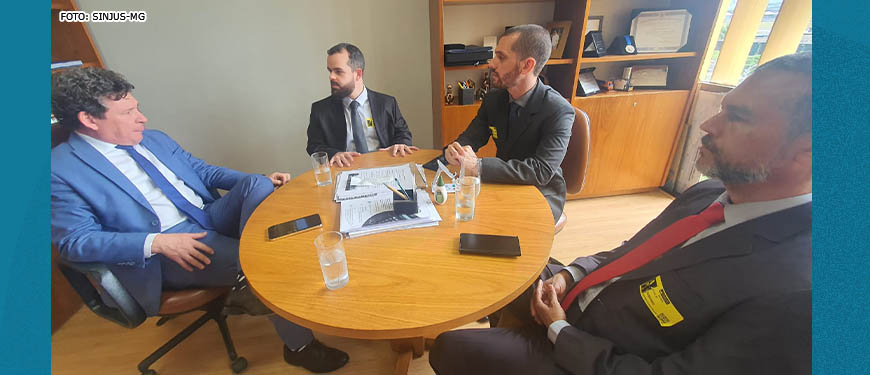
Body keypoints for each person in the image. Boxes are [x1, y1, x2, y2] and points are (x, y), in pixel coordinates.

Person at [430, 52, 812, 375]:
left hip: (589, 352)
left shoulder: (796, 296)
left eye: (739, 118)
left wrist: (560, 330)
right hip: (575, 299)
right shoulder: (711, 192)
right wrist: (569, 274)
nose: (708, 125)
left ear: (808, 152)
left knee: (448, 347)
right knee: (478, 254)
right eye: (722, 109)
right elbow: (629, 252)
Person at [51, 68, 349, 373]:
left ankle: (245, 277)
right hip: (167, 248)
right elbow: (75, 242)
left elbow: (204, 172)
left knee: (257, 185)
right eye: (129, 112)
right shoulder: (60, 169)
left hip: (206, 215)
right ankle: (298, 346)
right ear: (89, 119)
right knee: (272, 264)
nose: (142, 118)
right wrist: (156, 242)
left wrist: (259, 179)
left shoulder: (152, 139)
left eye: (137, 108)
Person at [444, 25, 574, 223]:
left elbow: (541, 171)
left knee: (496, 227)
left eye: (501, 57)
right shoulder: (494, 99)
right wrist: (456, 150)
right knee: (455, 215)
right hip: (503, 183)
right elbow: (472, 136)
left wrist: (479, 166)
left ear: (527, 65)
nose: (492, 63)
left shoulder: (558, 110)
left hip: (541, 193)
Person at [306, 43, 417, 167]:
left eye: (338, 71)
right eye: (330, 71)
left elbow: (403, 133)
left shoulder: (386, 103)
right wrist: (334, 153)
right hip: (344, 169)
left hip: (384, 167)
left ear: (358, 74)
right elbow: (313, 146)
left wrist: (401, 144)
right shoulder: (320, 110)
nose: (331, 77)